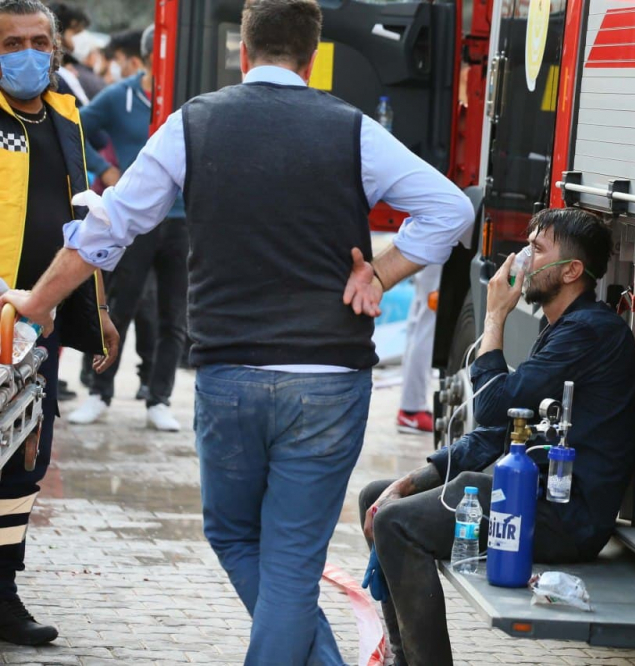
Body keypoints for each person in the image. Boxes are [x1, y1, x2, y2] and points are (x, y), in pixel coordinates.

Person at [1, 0, 474, 662]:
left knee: (233, 535)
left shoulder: (191, 126)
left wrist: (40, 301)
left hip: (230, 375)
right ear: (312, 59)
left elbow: (108, 229)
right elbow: (449, 208)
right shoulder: (351, 130)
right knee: (290, 559)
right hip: (329, 379)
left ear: (243, 52)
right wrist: (382, 275)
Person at [359, 208, 635, 666]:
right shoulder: (561, 328)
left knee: (397, 524)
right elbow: (499, 429)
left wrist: (494, 318)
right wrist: (412, 479)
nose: (523, 257)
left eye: (538, 248)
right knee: (378, 496)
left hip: (567, 518)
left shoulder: (590, 331)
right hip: (534, 495)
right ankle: (403, 656)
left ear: (570, 271)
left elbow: (491, 404)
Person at [0, 0, 118, 646]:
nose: (27, 51)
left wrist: (97, 309)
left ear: (55, 48)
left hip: (34, 333)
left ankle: (3, 590)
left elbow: (82, 225)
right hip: (0, 316)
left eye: (38, 40)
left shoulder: (66, 119)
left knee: (23, 464)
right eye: (11, 41)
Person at [68, 26, 189, 431]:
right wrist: (104, 168)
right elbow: (75, 126)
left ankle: (160, 399)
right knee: (119, 306)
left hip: (182, 220)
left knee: (174, 315)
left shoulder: (190, 100)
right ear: (148, 58)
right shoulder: (121, 96)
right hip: (136, 222)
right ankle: (99, 393)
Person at [396, 263, 441, 434]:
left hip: (428, 242)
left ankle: (411, 407)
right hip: (439, 242)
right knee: (428, 320)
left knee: (421, 315)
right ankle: (412, 409)